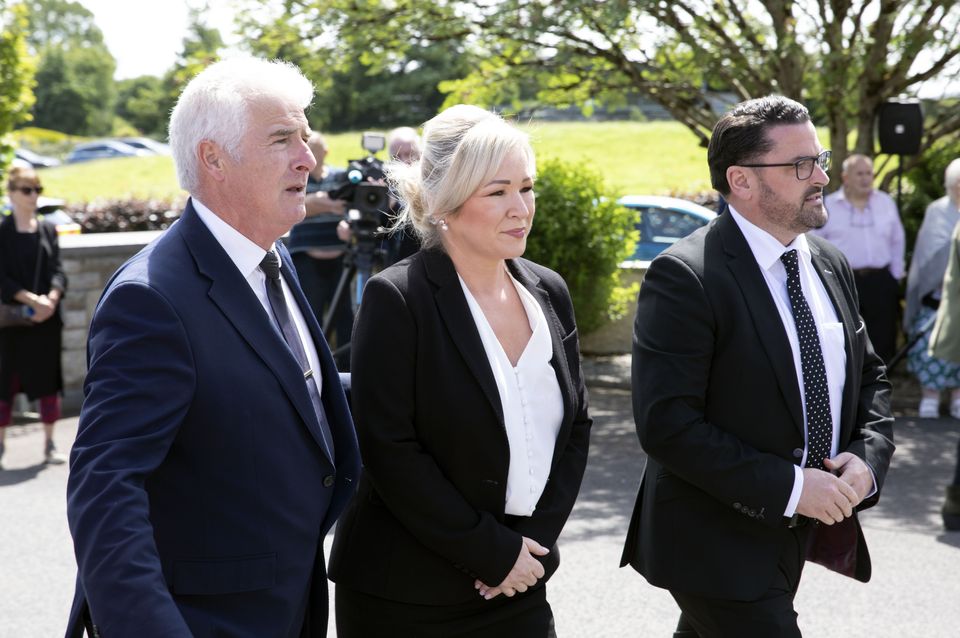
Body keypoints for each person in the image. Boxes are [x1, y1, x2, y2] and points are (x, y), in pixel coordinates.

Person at [65, 57, 361, 638]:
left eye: (305, 137)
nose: (308, 158)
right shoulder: (151, 300)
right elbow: (105, 489)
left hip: (288, 609)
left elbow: (282, 391)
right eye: (283, 139)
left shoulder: (270, 258)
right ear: (213, 158)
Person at [621, 95, 895, 637]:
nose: (820, 175)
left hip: (794, 536)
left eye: (820, 158)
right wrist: (794, 488)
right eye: (801, 165)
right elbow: (667, 425)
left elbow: (871, 380)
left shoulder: (828, 262)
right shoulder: (685, 275)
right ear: (741, 181)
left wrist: (867, 461)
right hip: (712, 540)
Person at [328, 104, 592, 637]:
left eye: (527, 187)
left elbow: (576, 428)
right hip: (407, 594)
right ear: (445, 204)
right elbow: (389, 449)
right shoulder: (397, 298)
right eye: (497, 192)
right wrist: (490, 553)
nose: (521, 208)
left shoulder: (549, 291)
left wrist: (531, 550)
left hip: (519, 582)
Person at [0, 166, 68, 468]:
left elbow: (58, 270)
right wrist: (30, 300)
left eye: (36, 190)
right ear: (11, 193)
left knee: (47, 382)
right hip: (11, 322)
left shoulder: (47, 230)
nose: (32, 196)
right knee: (4, 383)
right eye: (26, 190)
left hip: (46, 321)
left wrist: (51, 299)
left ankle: (50, 443)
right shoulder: (2, 232)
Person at [813, 154, 905, 363]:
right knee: (846, 336)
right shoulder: (828, 206)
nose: (866, 178)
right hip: (841, 281)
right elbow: (814, 243)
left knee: (883, 337)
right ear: (846, 177)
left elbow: (897, 239)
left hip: (880, 280)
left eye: (869, 173)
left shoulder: (886, 203)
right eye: (859, 174)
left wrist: (895, 275)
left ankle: (882, 388)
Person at [287, 131, 352, 369]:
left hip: (342, 260)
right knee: (309, 317)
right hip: (307, 258)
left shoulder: (338, 175)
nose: (313, 152)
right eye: (308, 146)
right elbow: (296, 205)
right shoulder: (296, 175)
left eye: (317, 147)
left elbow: (349, 202)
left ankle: (347, 371)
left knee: (347, 319)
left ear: (326, 152)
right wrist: (325, 203)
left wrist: (315, 203)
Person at [904, 159, 960, 418]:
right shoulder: (937, 211)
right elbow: (930, 255)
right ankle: (931, 398)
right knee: (932, 349)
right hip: (936, 301)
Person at [384, 126, 424, 263]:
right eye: (397, 156)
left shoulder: (435, 182)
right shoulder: (382, 182)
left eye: (410, 154)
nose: (404, 161)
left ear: (422, 153)